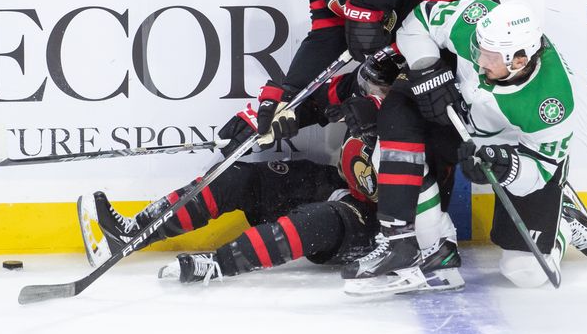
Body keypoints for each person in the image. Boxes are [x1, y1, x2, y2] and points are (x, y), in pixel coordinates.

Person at [263, 0, 499, 292]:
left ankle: (539, 188)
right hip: (422, 27)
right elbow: (324, 36)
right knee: (414, 117)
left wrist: (371, 13)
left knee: (411, 112)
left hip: (461, 5)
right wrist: (285, 94)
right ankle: (426, 246)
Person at [78, 52, 464, 294]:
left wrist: (378, 127)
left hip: (382, 226)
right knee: (242, 177)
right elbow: (309, 101)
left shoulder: (433, 120)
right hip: (340, 185)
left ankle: (219, 263)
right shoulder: (361, 89)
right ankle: (133, 230)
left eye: (378, 90)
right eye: (367, 85)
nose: (367, 94)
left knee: (318, 220)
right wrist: (258, 120)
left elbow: (433, 171)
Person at [395, 0, 587, 288]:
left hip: (518, 153)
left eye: (490, 57)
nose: (479, 61)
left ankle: (564, 222)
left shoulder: (552, 102)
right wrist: (427, 68)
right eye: (480, 50)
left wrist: (509, 168)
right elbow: (415, 22)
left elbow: (540, 170)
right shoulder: (474, 18)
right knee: (396, 141)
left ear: (519, 60)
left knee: (526, 273)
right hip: (458, 123)